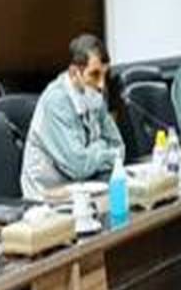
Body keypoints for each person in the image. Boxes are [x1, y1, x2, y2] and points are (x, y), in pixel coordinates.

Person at [21, 34, 125, 201]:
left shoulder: (93, 95)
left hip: (85, 191)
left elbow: (119, 149)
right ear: (74, 72)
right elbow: (79, 167)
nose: (101, 85)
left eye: (105, 75)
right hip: (47, 199)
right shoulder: (56, 101)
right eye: (95, 74)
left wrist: (92, 155)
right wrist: (101, 146)